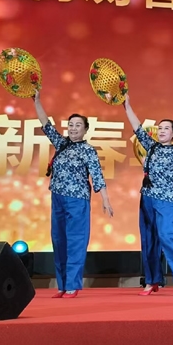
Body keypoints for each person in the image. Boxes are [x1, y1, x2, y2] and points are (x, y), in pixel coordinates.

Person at [33, 90, 114, 299]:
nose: (73, 128)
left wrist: (105, 199)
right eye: (70, 125)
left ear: (85, 130)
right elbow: (45, 124)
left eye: (78, 125)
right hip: (57, 198)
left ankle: (72, 285)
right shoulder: (61, 143)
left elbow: (97, 175)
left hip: (77, 200)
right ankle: (62, 285)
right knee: (59, 240)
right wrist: (37, 101)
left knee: (76, 241)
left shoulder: (88, 150)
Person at [123, 95, 173, 295]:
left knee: (166, 236)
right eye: (160, 128)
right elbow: (137, 127)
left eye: (166, 128)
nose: (162, 131)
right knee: (148, 240)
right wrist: (127, 106)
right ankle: (151, 280)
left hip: (166, 199)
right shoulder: (151, 146)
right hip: (146, 197)